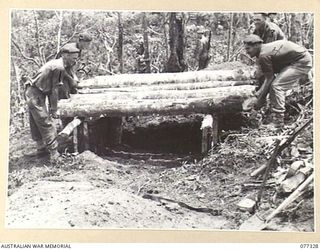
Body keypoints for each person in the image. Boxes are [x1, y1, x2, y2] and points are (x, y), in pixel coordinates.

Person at [24, 45, 80, 163]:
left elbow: (70, 81)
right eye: (74, 58)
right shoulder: (58, 67)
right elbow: (54, 90)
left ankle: (41, 150)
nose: (76, 61)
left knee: (36, 121)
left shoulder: (61, 65)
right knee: (45, 122)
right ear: (65, 55)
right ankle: (54, 155)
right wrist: (54, 109)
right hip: (35, 93)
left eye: (77, 58)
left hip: (35, 91)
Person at [243, 34, 312, 129]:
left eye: (248, 49)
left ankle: (278, 122)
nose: (246, 52)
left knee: (277, 86)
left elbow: (270, 79)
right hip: (293, 61)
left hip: (301, 61)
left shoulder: (264, 55)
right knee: (273, 84)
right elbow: (267, 77)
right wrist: (258, 95)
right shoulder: (263, 52)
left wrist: (260, 99)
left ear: (256, 45)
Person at [56, 32, 92, 99]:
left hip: (65, 74)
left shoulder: (79, 50)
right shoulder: (69, 49)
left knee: (74, 92)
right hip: (59, 76)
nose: (88, 46)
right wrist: (71, 79)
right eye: (87, 43)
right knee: (64, 96)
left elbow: (71, 66)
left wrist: (74, 77)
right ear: (81, 41)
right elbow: (61, 68)